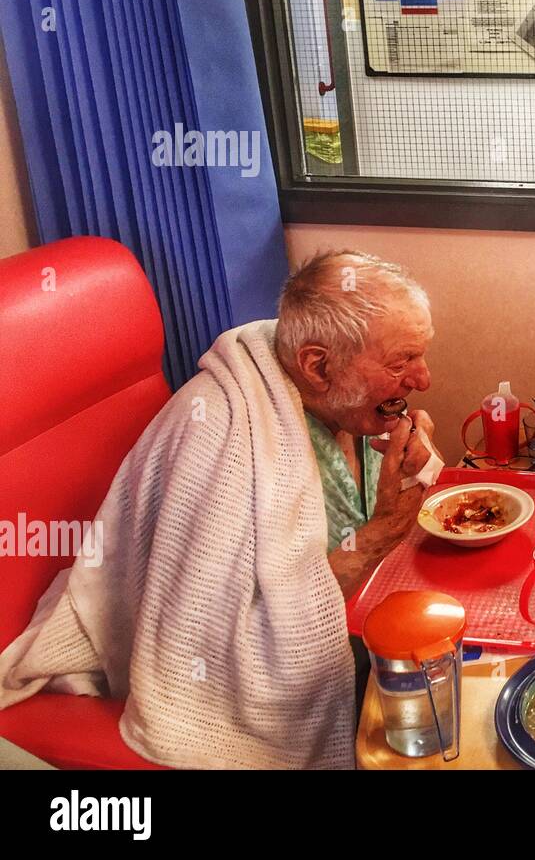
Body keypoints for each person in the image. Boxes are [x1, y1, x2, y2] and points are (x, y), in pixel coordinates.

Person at [0, 250, 438, 769]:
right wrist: (383, 530)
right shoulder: (219, 435)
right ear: (317, 365)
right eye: (400, 363)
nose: (424, 379)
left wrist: (415, 467)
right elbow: (226, 637)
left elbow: (345, 514)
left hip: (360, 612)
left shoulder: (340, 398)